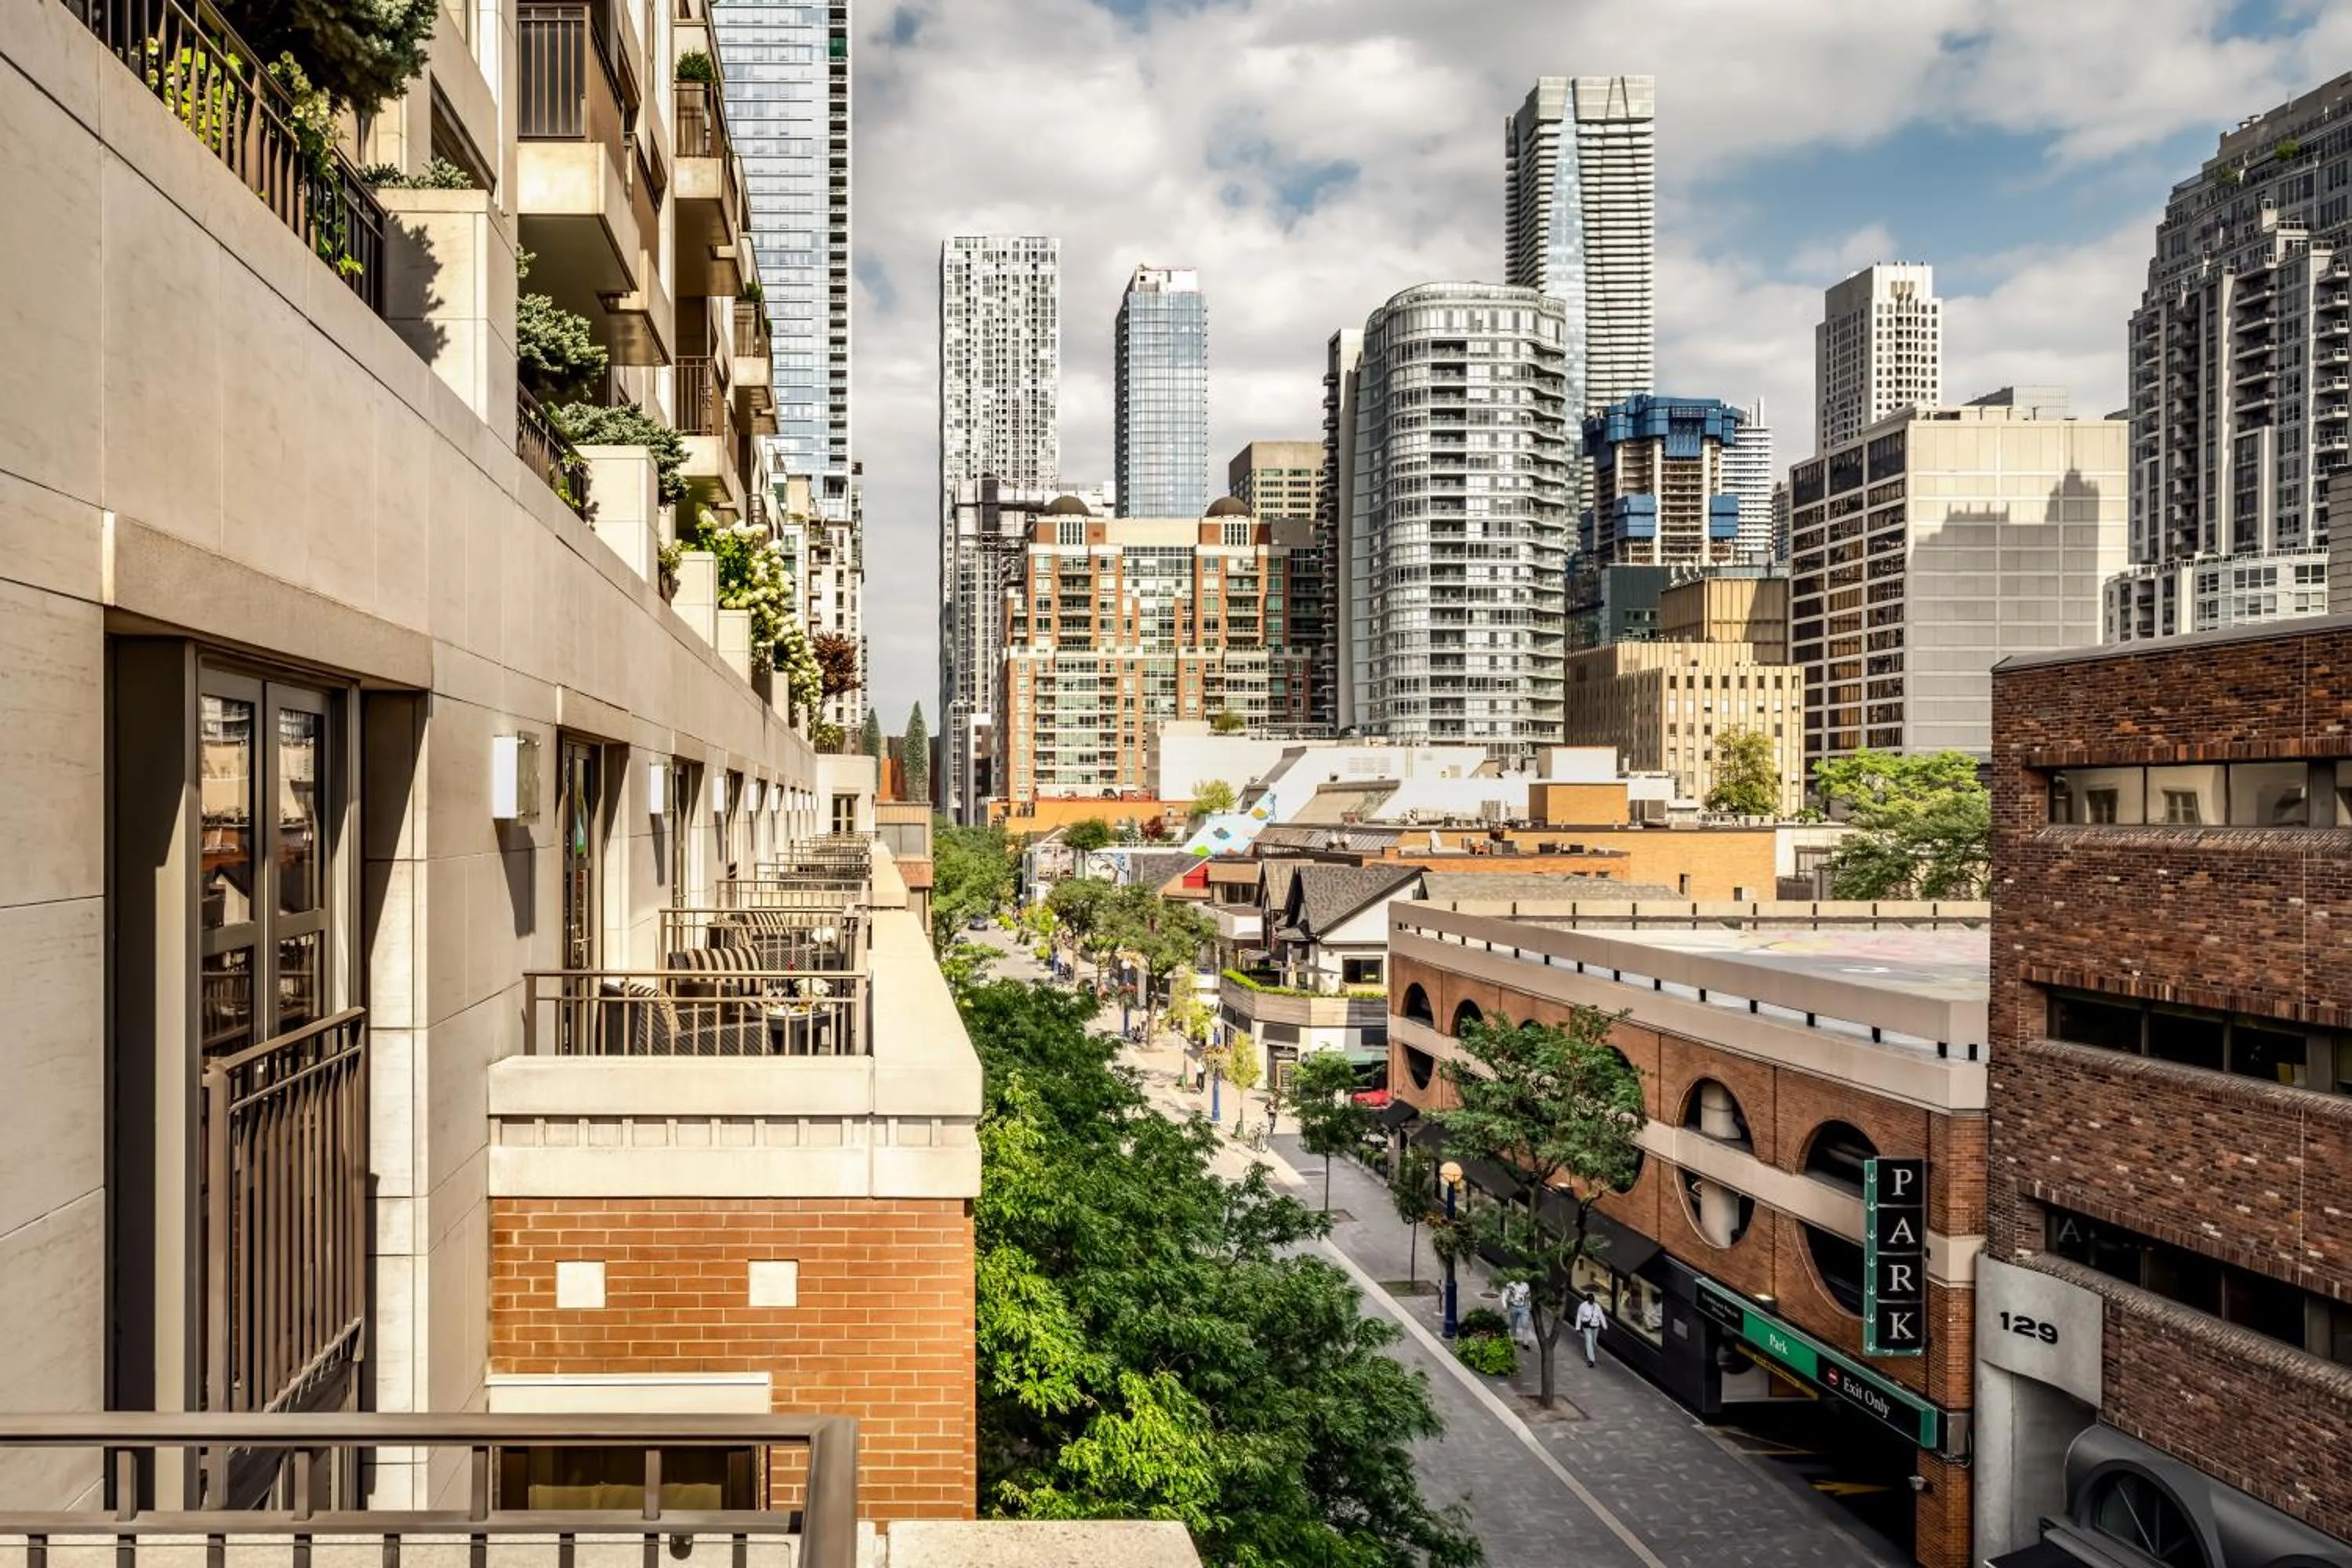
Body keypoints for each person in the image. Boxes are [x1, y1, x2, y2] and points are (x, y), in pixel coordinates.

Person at [1572, 1289, 1608, 1368]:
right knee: (1589, 1341)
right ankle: (1591, 1360)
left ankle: (1588, 1351)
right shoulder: (1582, 1306)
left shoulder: (1597, 1307)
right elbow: (1579, 1317)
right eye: (1590, 1301)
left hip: (1595, 1326)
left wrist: (1604, 1326)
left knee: (1594, 1342)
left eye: (1592, 1301)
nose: (1591, 1302)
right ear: (1588, 1300)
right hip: (1587, 1326)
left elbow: (1601, 1316)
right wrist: (1578, 1328)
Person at [1501, 1279, 1534, 1348]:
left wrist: (1529, 1305)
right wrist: (1505, 1305)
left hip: (1524, 1308)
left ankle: (1525, 1343)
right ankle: (1513, 1339)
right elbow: (1504, 1295)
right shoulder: (1510, 1285)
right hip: (1514, 1307)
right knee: (1513, 1324)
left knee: (1525, 1324)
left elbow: (1528, 1296)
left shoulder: (1525, 1285)